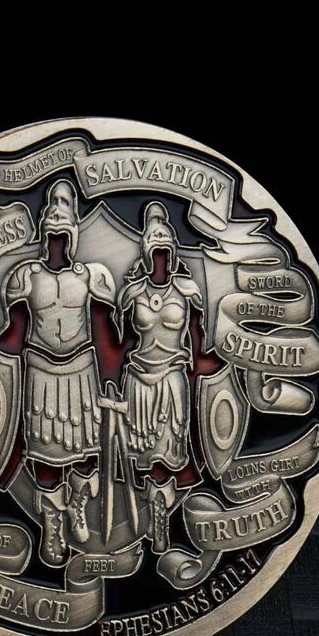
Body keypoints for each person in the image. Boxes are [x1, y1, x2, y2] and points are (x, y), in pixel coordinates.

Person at [1, 180, 116, 565]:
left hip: (82, 370)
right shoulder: (25, 276)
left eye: (66, 207)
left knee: (85, 453)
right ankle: (52, 522)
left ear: (75, 229)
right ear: (42, 228)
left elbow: (104, 332)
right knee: (47, 456)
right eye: (52, 206)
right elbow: (13, 334)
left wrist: (114, 375)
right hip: (41, 372)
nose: (57, 216)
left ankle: (77, 506)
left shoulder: (92, 275)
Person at [118, 202, 203, 552]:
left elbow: (199, 339)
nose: (160, 258)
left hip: (173, 377)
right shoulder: (131, 294)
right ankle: (143, 516)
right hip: (138, 379)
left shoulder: (188, 291)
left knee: (168, 452)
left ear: (173, 252)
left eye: (165, 251)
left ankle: (161, 515)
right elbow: (118, 343)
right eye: (155, 250)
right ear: (145, 251)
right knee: (141, 455)